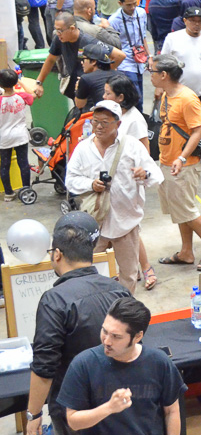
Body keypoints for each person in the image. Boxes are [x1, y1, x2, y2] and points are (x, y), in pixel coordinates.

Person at [25, 212, 131, 435]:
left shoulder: (55, 300)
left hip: (77, 413)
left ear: (57, 254)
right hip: (122, 402)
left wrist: (33, 414)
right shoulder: (119, 291)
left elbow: (44, 367)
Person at [56, 296, 183, 435]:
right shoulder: (84, 364)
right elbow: (73, 420)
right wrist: (108, 408)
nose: (106, 340)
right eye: (104, 331)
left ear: (137, 336)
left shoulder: (158, 363)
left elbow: (172, 411)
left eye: (116, 336)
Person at [64, 99, 162, 293]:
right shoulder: (83, 148)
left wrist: (145, 174)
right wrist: (90, 184)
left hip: (125, 221)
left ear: (118, 124)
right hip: (95, 222)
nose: (99, 127)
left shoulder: (132, 146)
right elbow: (71, 180)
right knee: (88, 271)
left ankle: (125, 306)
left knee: (129, 274)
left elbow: (156, 175)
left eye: (105, 122)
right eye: (95, 121)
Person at [151, 54, 201, 272]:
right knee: (179, 210)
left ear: (164, 75)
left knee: (187, 210)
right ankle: (186, 252)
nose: (150, 75)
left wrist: (181, 158)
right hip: (167, 161)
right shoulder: (166, 95)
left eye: (152, 71)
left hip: (184, 164)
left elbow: (196, 131)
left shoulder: (188, 98)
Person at [161, 6, 201, 180]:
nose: (196, 25)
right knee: (178, 130)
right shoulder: (173, 39)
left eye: (200, 21)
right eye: (193, 21)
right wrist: (161, 87)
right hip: (180, 97)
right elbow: (163, 64)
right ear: (185, 21)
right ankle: (179, 161)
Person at [32, 12, 123, 102]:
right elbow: (51, 60)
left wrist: (103, 74)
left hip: (92, 91)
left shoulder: (88, 41)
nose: (57, 33)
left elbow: (120, 55)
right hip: (76, 87)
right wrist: (39, 83)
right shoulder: (59, 39)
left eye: (60, 31)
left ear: (72, 28)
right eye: (56, 30)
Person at [0, 69, 32, 201]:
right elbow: (32, 94)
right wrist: (20, 82)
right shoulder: (22, 96)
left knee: (4, 165)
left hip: (4, 138)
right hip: (21, 136)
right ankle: (26, 190)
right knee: (23, 163)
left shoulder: (1, 100)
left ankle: (8, 193)